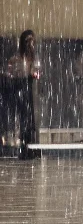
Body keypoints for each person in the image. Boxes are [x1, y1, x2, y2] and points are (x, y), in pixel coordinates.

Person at [7, 29, 41, 159]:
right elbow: (11, 74)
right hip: (20, 90)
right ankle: (24, 146)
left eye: (32, 41)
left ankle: (30, 146)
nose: (30, 44)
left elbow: (37, 74)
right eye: (28, 41)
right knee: (23, 119)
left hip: (30, 90)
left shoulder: (34, 58)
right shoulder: (16, 59)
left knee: (30, 120)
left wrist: (34, 73)